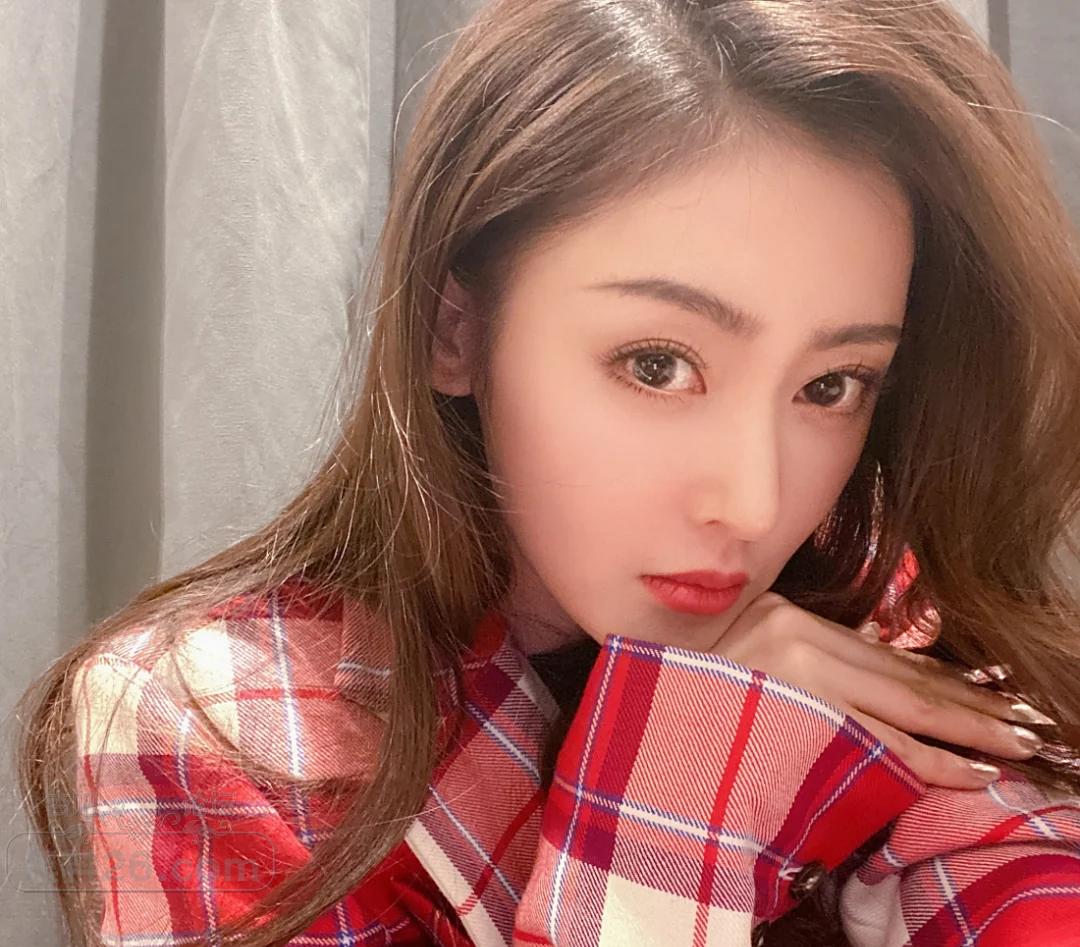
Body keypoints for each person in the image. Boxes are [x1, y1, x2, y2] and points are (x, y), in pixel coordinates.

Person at [16, 0, 1080, 944]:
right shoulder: (223, 727)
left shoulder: (880, 619)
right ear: (456, 328)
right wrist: (675, 804)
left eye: (832, 384)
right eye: (657, 364)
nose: (754, 503)